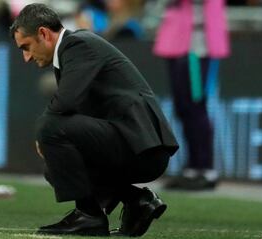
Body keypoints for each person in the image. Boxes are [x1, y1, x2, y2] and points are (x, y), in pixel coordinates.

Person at [10, 3, 179, 236]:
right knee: (55, 163)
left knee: (50, 127)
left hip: (144, 146)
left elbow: (66, 103)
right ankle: (137, 200)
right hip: (135, 143)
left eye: (26, 47)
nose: (26, 57)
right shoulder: (73, 51)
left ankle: (89, 216)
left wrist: (43, 132)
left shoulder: (78, 44)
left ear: (43, 34)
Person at [153, 0, 230, 190]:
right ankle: (192, 169)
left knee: (196, 107)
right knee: (183, 108)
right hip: (178, 41)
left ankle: (205, 169)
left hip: (199, 46)